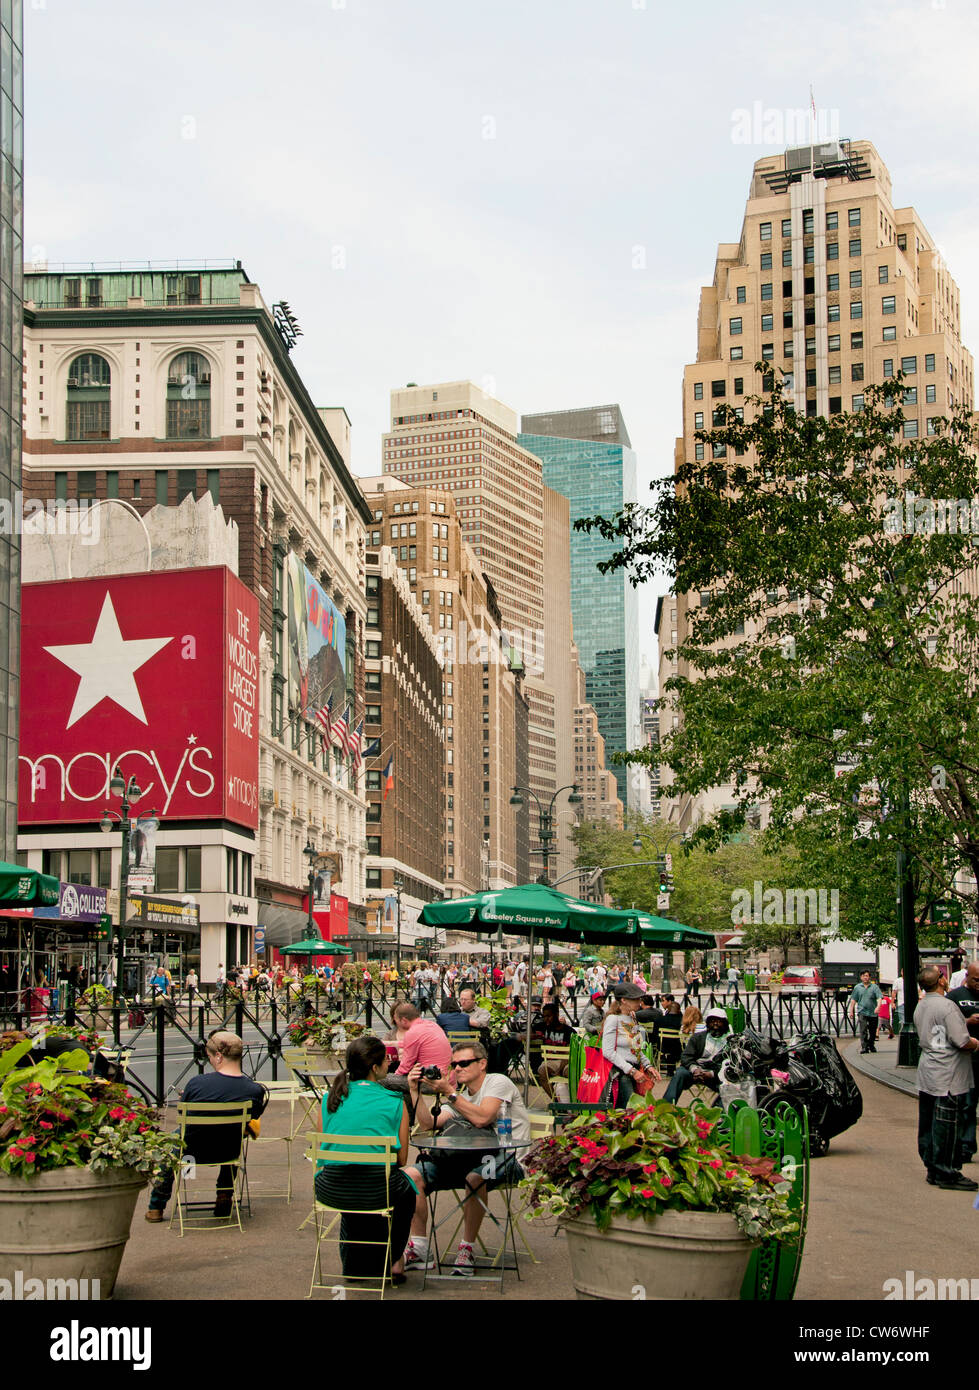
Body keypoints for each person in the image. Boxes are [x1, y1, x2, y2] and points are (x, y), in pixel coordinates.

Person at [403, 1040, 531, 1275]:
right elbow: (428, 1123)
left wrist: (449, 1092)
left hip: (508, 1158)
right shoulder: (462, 1095)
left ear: (482, 1064)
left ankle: (467, 1249)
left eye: (464, 1063)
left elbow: (483, 1118)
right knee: (410, 1175)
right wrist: (415, 1091)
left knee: (474, 1178)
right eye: (454, 1065)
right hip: (463, 1160)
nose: (457, 1069)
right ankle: (419, 1248)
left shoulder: (497, 1082)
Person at [315, 1035, 419, 1282]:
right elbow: (402, 1159)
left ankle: (355, 1265)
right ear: (375, 1067)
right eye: (386, 1061)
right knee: (403, 1190)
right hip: (376, 1188)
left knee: (355, 1193)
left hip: (330, 1187)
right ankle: (394, 1259)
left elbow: (323, 1146)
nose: (389, 1065)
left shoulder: (331, 1099)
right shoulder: (394, 1102)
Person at [145, 1031, 268, 1222]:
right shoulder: (254, 1090)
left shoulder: (196, 1084)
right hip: (227, 1152)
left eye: (210, 1057)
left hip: (191, 1152)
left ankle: (156, 1207)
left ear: (218, 1056)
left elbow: (182, 1114)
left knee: (174, 1142)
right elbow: (254, 1116)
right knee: (235, 1134)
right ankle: (224, 1197)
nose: (210, 1061)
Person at [914, 965, 979, 1191]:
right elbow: (962, 1040)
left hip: (929, 1070)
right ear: (940, 981)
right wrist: (976, 1043)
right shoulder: (948, 1006)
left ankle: (933, 1168)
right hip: (948, 1072)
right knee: (946, 1124)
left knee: (929, 1122)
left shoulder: (921, 1006)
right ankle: (946, 1171)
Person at [602, 983, 661, 1106]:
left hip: (634, 1070)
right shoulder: (613, 1019)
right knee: (633, 1110)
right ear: (623, 1000)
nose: (639, 1002)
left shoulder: (632, 1017)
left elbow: (636, 1048)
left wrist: (648, 1066)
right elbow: (608, 1051)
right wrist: (632, 1071)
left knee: (635, 1111)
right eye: (635, 999)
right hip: (620, 1073)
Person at [947, 963, 979, 1169]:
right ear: (967, 976)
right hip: (966, 1058)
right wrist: (967, 1021)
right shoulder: (955, 996)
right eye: (976, 979)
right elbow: (947, 1023)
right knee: (967, 1104)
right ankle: (966, 1146)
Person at [663, 1009, 731, 1104]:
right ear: (707, 1023)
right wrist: (695, 1069)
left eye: (719, 1021)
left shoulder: (729, 1042)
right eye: (712, 1021)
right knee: (680, 1073)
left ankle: (719, 1114)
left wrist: (711, 1074)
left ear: (724, 1024)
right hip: (695, 1071)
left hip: (716, 1074)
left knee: (730, 1085)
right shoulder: (698, 1037)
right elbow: (686, 1057)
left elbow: (730, 1064)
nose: (715, 1024)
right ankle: (666, 1106)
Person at [393, 1002, 452, 1079]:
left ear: (404, 1020)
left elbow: (405, 1067)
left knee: (383, 1081)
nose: (395, 1023)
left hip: (431, 1080)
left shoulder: (412, 1032)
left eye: (396, 1020)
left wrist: (394, 1076)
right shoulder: (432, 1025)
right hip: (447, 1077)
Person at [533, 1003, 574, 1098]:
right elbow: (529, 1032)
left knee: (570, 1072)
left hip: (566, 1062)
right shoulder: (542, 1027)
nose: (546, 1019)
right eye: (544, 1016)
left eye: (549, 1016)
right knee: (542, 1071)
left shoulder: (569, 1031)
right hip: (550, 1061)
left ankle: (571, 1101)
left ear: (556, 1015)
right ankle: (555, 1101)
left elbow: (570, 1053)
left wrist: (560, 1069)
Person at [849, 970, 883, 1054]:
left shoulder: (874, 987)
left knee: (872, 1030)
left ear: (869, 977)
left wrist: (878, 1007)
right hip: (862, 1011)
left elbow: (879, 998)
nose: (865, 977)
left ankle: (871, 1044)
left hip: (873, 1012)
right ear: (861, 977)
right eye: (864, 976)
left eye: (867, 976)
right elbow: (853, 1000)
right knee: (863, 1029)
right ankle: (864, 1047)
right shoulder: (857, 987)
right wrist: (851, 1011)